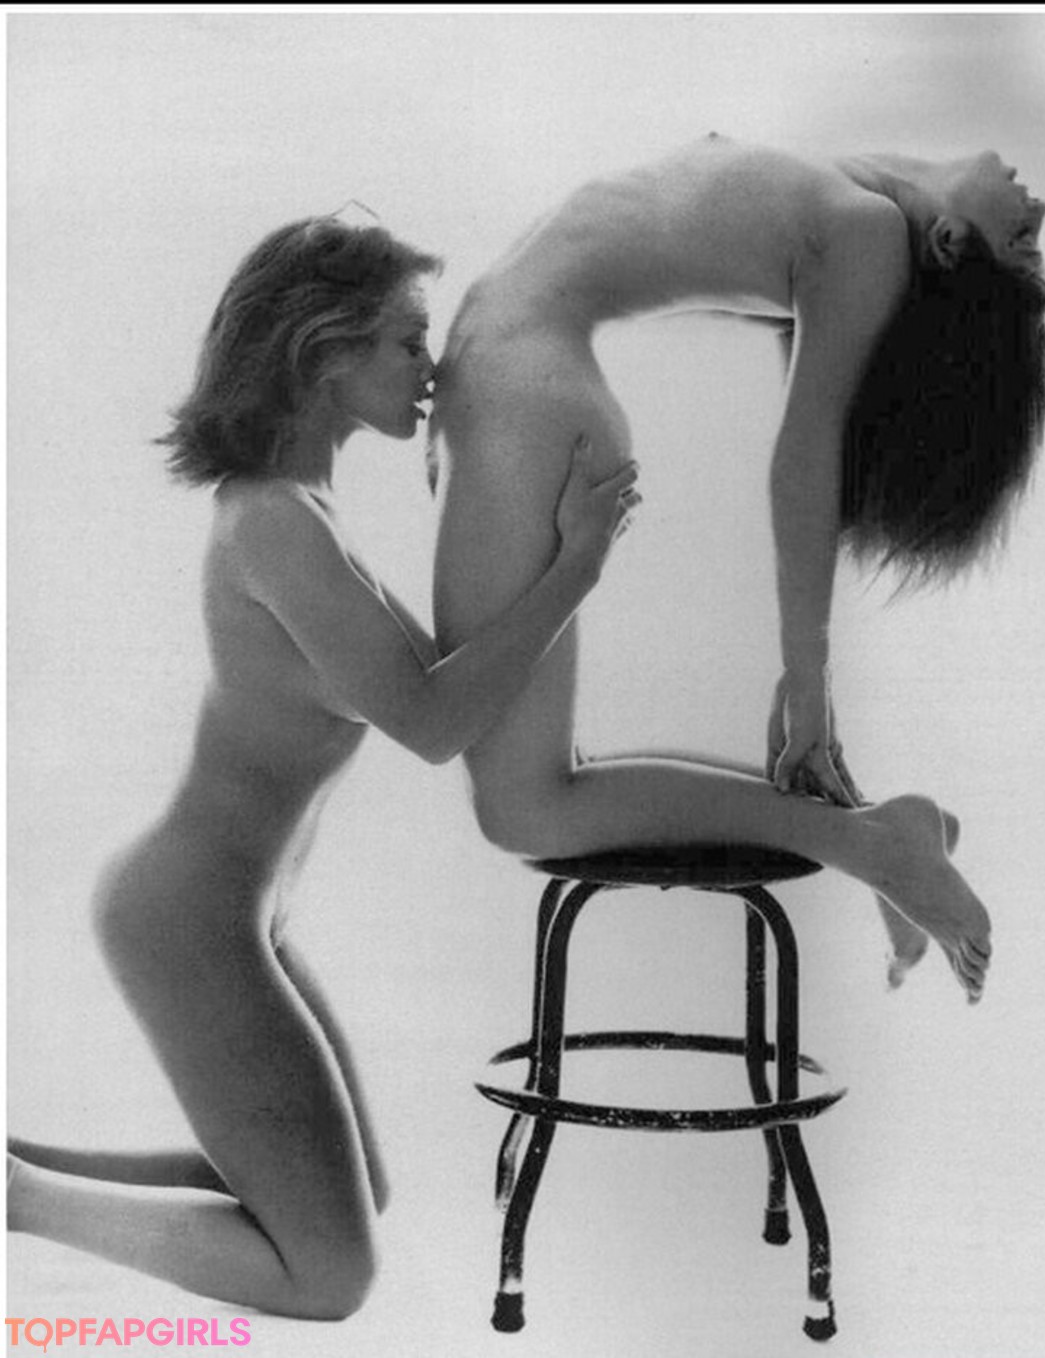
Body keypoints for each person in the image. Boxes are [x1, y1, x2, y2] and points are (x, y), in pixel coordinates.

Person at [6, 217, 639, 1318]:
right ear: (322, 352)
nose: (432, 368)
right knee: (332, 1273)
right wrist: (576, 566)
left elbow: (442, 678)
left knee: (355, 1199)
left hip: (229, 908)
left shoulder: (300, 511)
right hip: (189, 915)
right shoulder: (277, 525)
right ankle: (15, 1198)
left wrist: (527, 515)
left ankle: (16, 1172)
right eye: (407, 341)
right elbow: (433, 721)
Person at [432, 136, 1045, 1005]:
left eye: (1023, 239)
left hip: (521, 379)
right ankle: (878, 838)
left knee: (522, 806)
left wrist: (808, 680)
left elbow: (806, 458)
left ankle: (874, 846)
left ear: (950, 243)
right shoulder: (860, 193)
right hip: (518, 370)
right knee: (524, 799)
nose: (1041, 209)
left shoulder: (867, 229)